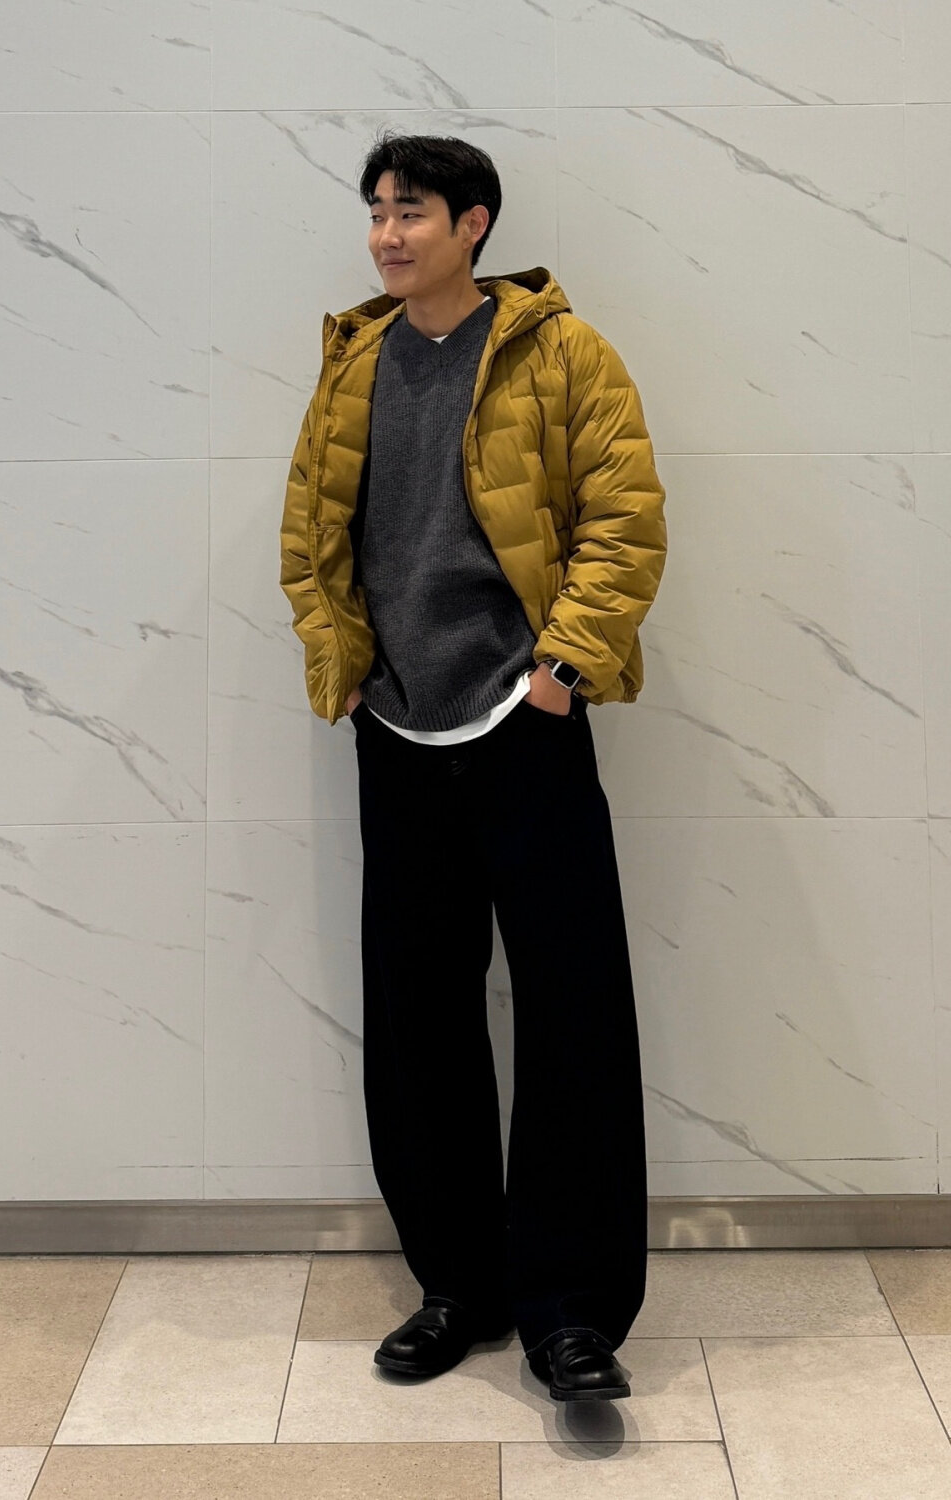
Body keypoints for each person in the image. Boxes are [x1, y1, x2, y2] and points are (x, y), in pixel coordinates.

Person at [279, 130, 667, 1403]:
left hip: (525, 726)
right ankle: (458, 1286)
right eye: (375, 210)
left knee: (571, 1013)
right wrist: (344, 671)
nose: (386, 234)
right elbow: (309, 536)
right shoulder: (353, 361)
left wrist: (559, 673)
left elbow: (624, 520)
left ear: (474, 224)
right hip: (397, 733)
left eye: (412, 211)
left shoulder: (561, 352)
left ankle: (571, 1313)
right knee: (418, 1018)